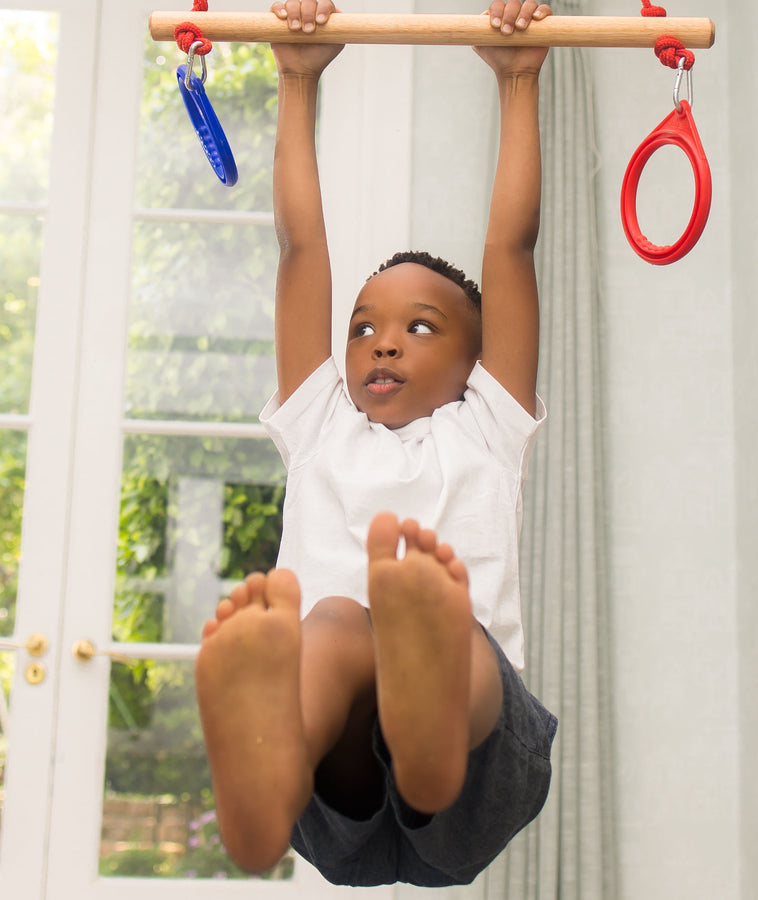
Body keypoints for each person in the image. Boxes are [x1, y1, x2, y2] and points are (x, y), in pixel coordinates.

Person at [194, 0, 558, 887]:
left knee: (436, 621)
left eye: (420, 327)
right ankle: (276, 763)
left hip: (483, 767)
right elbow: (300, 245)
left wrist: (517, 82)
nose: (381, 342)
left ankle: (430, 725)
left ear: (479, 361)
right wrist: (295, 79)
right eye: (361, 328)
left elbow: (511, 245)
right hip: (335, 789)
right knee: (334, 624)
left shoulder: (487, 424)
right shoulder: (320, 426)